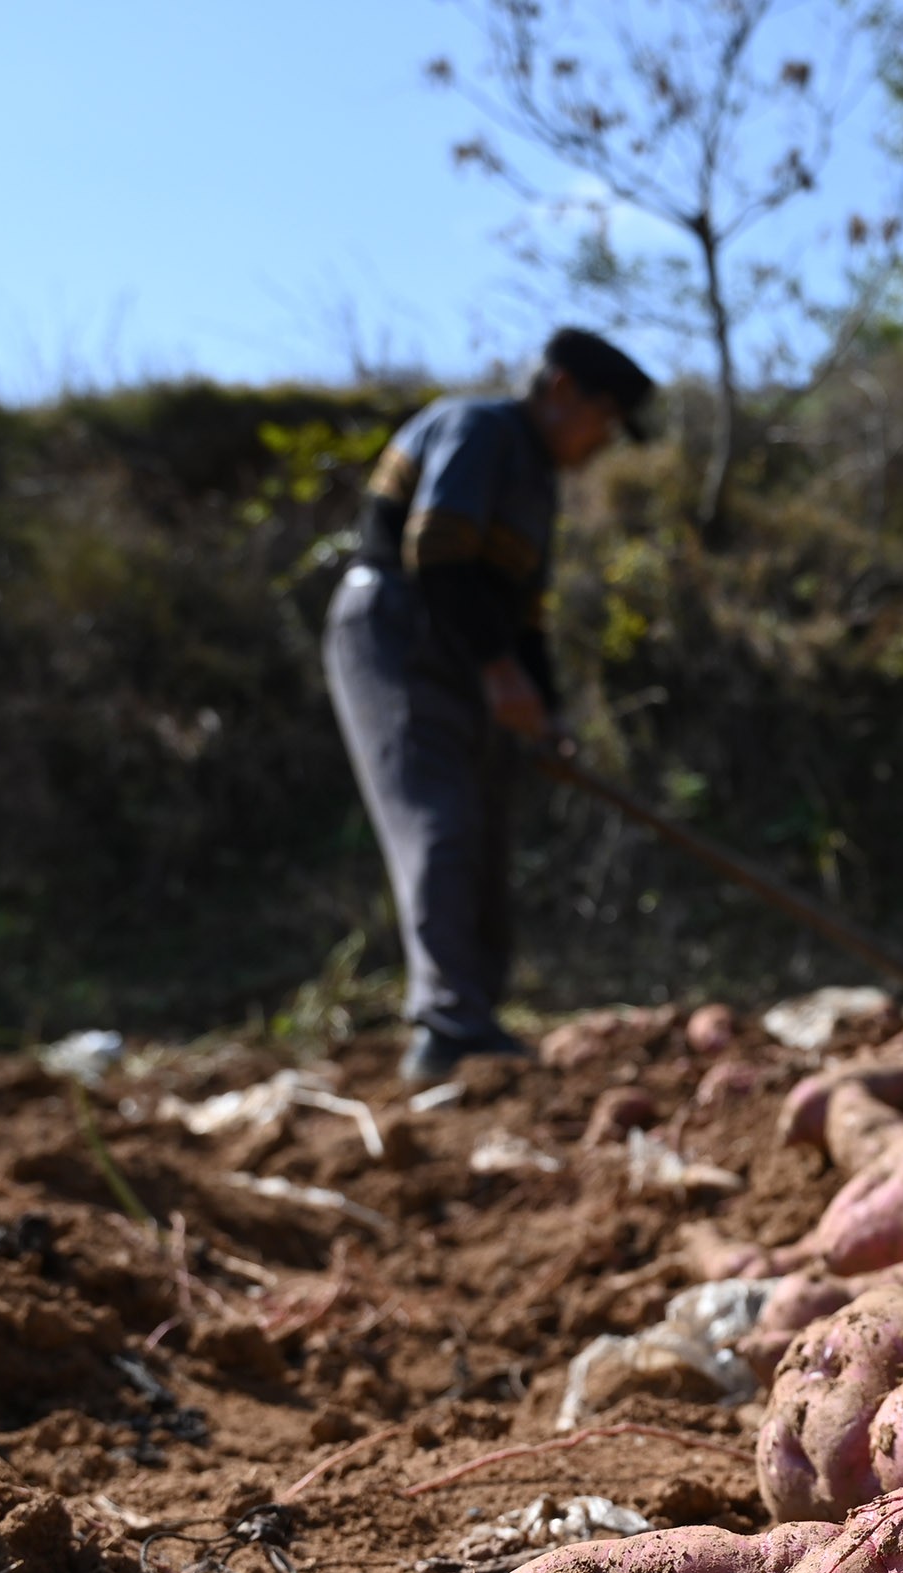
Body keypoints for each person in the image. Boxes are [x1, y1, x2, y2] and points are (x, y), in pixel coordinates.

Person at [324, 329, 657, 1082]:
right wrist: (500, 672)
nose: (602, 442)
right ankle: (447, 1029)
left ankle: (475, 1020)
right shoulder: (481, 429)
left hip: (467, 648)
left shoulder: (537, 480)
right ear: (563, 388)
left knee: (485, 828)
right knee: (437, 820)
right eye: (602, 419)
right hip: (398, 632)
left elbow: (524, 616)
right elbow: (437, 550)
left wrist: (548, 712)